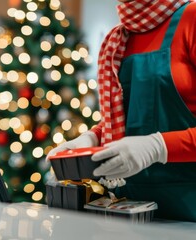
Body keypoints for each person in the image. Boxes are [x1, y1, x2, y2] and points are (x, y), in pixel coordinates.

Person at [48, 0, 196, 222]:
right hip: (131, 207)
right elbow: (135, 114)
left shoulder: (191, 19)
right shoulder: (120, 37)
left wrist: (158, 147)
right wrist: (92, 139)